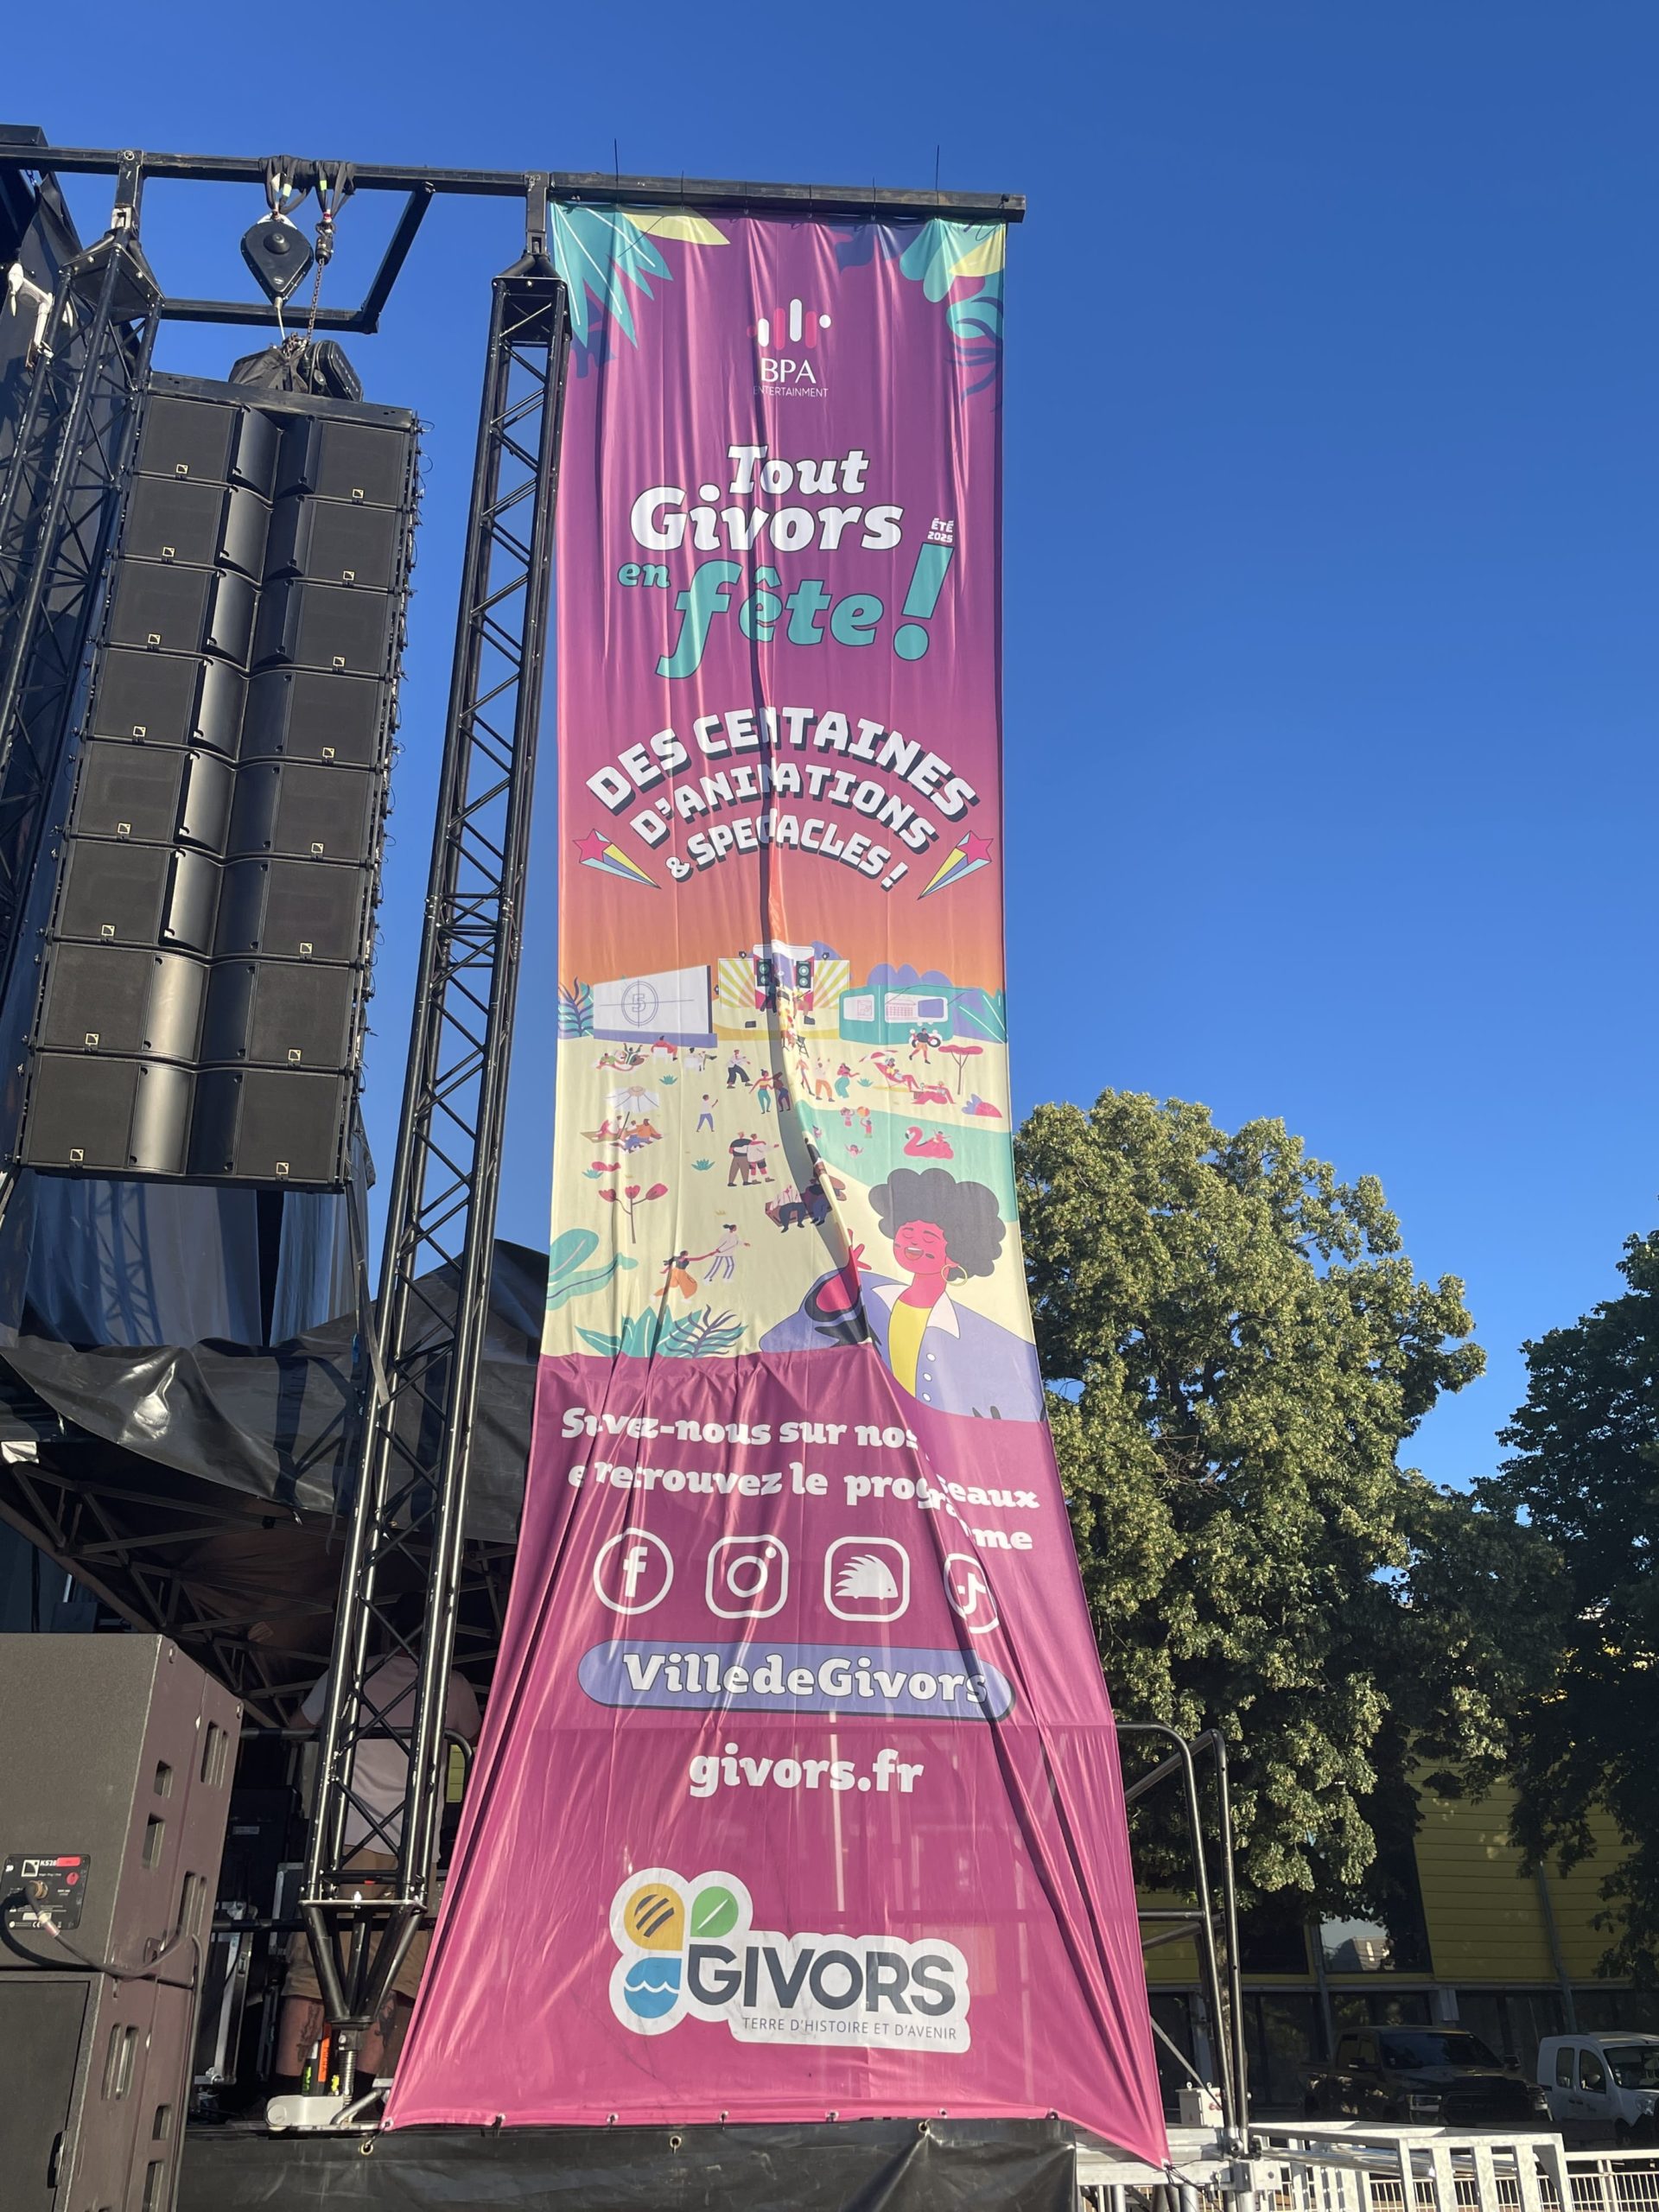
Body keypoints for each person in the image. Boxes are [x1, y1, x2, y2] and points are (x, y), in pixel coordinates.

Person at [273, 1647, 481, 2088]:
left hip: (343, 1840)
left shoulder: (347, 1671)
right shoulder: (452, 1683)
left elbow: (295, 1728)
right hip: (414, 1848)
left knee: (316, 1964)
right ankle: (362, 2091)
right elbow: (477, 1744)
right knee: (395, 1969)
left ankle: (285, 2091)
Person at [760, 1166, 1044, 1421]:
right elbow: (777, 1343)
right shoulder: (863, 1291)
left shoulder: (984, 1336)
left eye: (928, 1237)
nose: (913, 1242)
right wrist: (839, 1279)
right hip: (854, 1435)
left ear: (957, 1255)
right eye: (906, 1232)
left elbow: (1004, 1412)